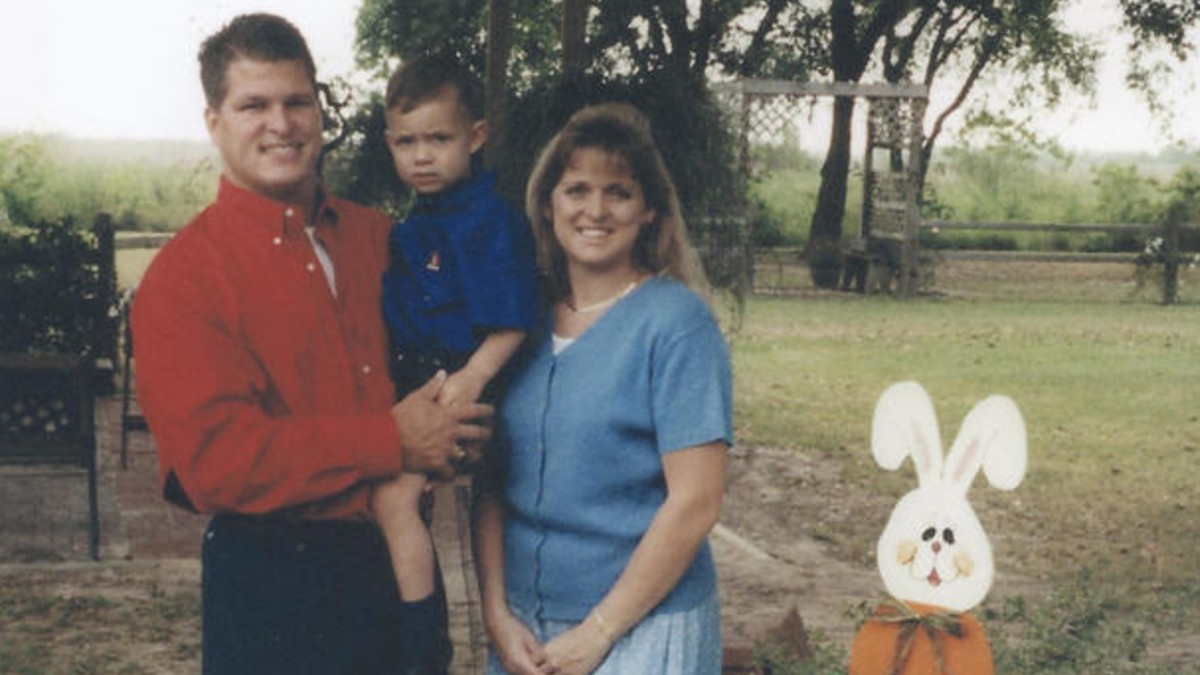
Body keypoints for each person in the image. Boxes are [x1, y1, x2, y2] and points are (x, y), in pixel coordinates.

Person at [131, 14, 492, 674]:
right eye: (254, 105)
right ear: (215, 121)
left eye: (297, 101)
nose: (281, 123)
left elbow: (456, 349)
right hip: (272, 585)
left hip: (397, 565)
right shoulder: (183, 278)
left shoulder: (385, 239)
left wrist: (461, 425)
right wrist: (393, 439)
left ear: (319, 110)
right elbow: (216, 460)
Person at [476, 102, 734, 675]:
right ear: (548, 205)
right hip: (523, 634)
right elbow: (491, 485)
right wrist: (495, 613)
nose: (595, 210)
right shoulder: (520, 323)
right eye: (577, 189)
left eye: (618, 192)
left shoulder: (676, 324)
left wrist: (600, 631)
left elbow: (696, 502)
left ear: (648, 211)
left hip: (639, 632)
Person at [371, 52, 539, 673]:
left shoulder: (491, 222)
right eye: (408, 142)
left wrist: (469, 381)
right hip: (419, 384)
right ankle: (398, 623)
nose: (422, 156)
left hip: (468, 387)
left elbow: (514, 318)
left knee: (394, 498)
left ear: (475, 138)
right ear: (390, 144)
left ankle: (422, 648)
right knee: (388, 500)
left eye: (439, 140)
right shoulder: (416, 224)